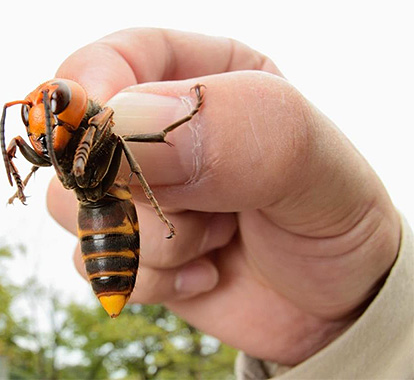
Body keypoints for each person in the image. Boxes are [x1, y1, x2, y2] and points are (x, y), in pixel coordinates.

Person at [47, 28, 413, 378]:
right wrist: (346, 338)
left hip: (108, 222)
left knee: (124, 139)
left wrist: (360, 327)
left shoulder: (102, 120)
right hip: (100, 220)